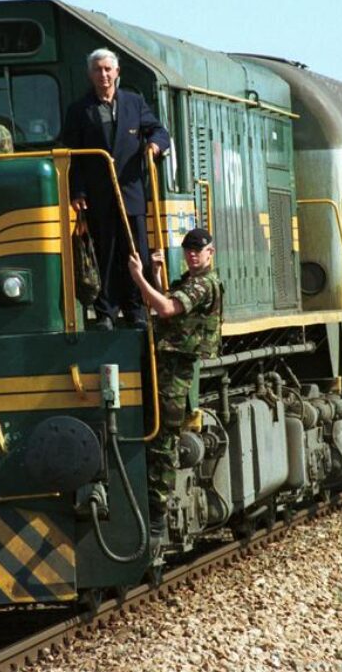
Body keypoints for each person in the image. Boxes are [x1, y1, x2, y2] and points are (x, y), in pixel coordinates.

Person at [61, 48, 170, 330]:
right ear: (90, 74)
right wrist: (78, 191)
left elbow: (159, 131)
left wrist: (155, 146)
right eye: (98, 69)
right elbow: (71, 155)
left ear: (117, 72)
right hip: (98, 195)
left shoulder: (134, 103)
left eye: (108, 69)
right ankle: (106, 312)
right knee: (105, 253)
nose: (103, 74)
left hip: (131, 191)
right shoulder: (78, 110)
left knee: (136, 253)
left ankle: (136, 309)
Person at [127, 228, 223, 540]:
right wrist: (155, 275)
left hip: (176, 371)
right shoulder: (191, 282)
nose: (192, 254)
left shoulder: (205, 284)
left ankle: (157, 517)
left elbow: (166, 309)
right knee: (155, 434)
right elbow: (166, 302)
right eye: (188, 249)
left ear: (211, 252)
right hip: (166, 364)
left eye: (198, 249)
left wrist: (138, 276)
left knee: (163, 438)